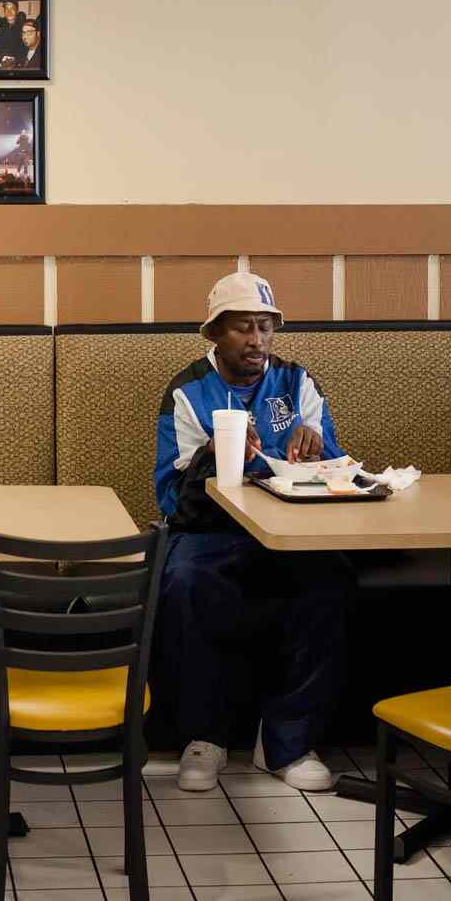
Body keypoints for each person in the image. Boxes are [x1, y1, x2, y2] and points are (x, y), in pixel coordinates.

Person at [153, 272, 352, 793]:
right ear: (217, 332)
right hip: (210, 533)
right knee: (184, 584)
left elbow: (336, 467)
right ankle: (203, 738)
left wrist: (320, 447)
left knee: (329, 578)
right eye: (244, 328)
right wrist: (213, 458)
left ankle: (286, 743)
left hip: (292, 529)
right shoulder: (188, 392)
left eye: (265, 327)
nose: (257, 340)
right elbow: (172, 495)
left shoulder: (297, 382)